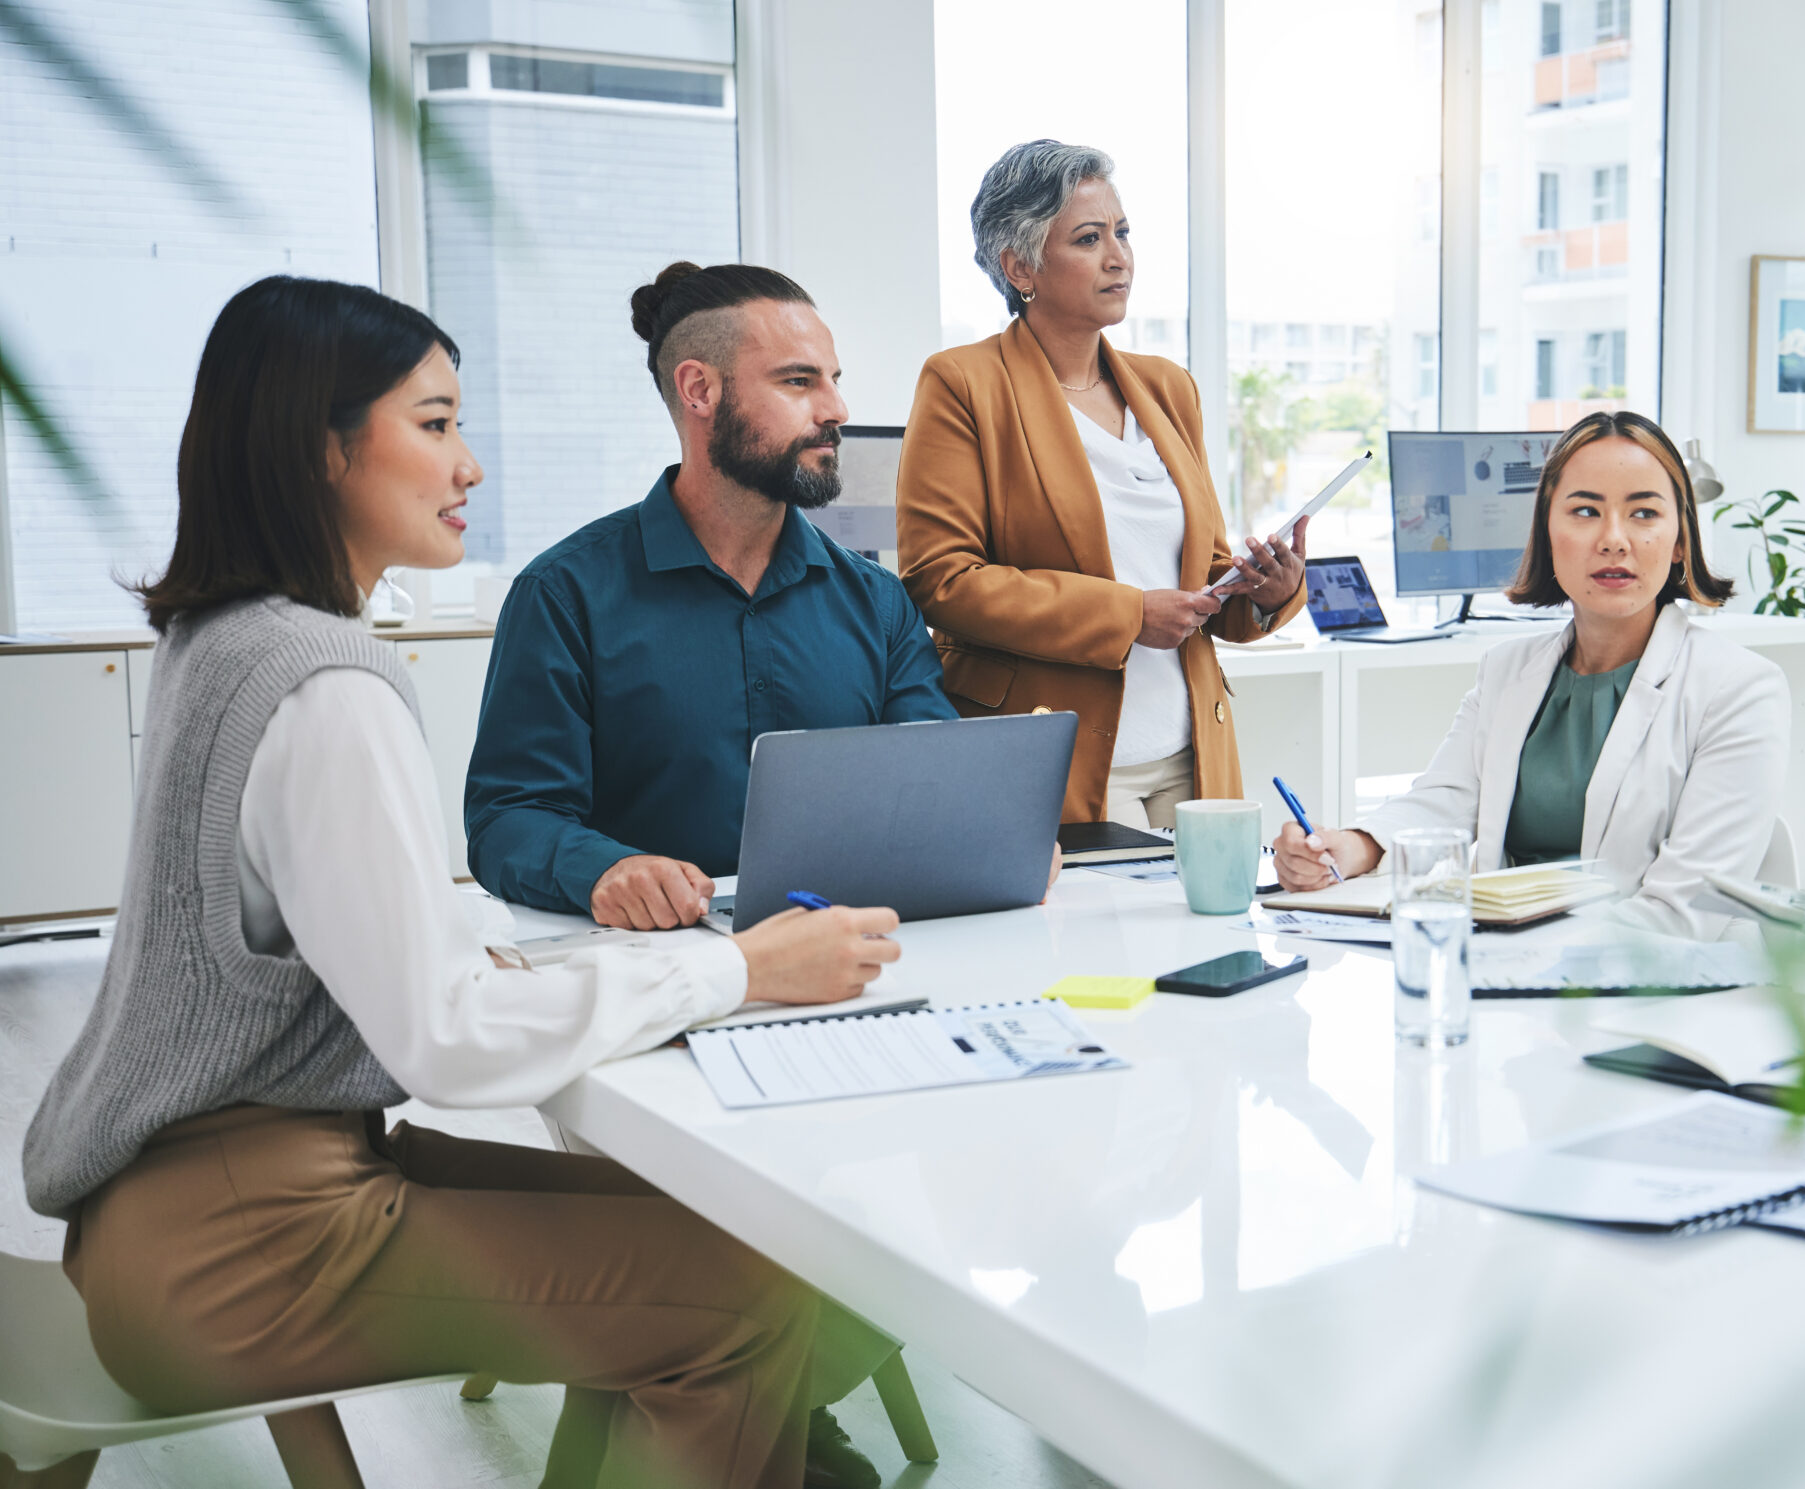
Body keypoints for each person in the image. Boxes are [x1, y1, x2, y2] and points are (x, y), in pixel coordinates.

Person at [21, 276, 905, 1489]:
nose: (471, 465)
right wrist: (736, 966)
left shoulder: (222, 637)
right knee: (756, 1296)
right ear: (322, 450)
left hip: (157, 1216)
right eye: (434, 425)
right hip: (251, 1245)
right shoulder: (328, 681)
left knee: (756, 1251)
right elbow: (445, 1041)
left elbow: (305, 930)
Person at [466, 262, 970, 930]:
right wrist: (604, 869)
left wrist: (982, 836)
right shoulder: (563, 595)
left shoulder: (878, 603)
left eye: (834, 381)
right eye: (799, 381)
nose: (836, 410)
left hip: (846, 939)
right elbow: (508, 820)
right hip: (654, 965)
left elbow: (934, 774)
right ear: (699, 389)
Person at [899, 140, 1308, 827]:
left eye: (1122, 232)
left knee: (1211, 932)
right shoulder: (964, 383)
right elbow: (940, 580)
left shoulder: (1167, 388)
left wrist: (1267, 590)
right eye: (1089, 239)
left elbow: (1198, 574)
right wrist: (1126, 615)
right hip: (1062, 754)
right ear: (1019, 265)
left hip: (1191, 751)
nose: (1118, 256)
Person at [1272, 410, 1790, 939]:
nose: (1614, 539)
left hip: (1648, 989)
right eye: (1586, 510)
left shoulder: (1740, 689)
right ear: (1547, 531)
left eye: (1643, 514)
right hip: (1498, 975)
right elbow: (1443, 800)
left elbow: (1684, 911)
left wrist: (1516, 956)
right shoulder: (1507, 670)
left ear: (1680, 540)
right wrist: (1349, 847)